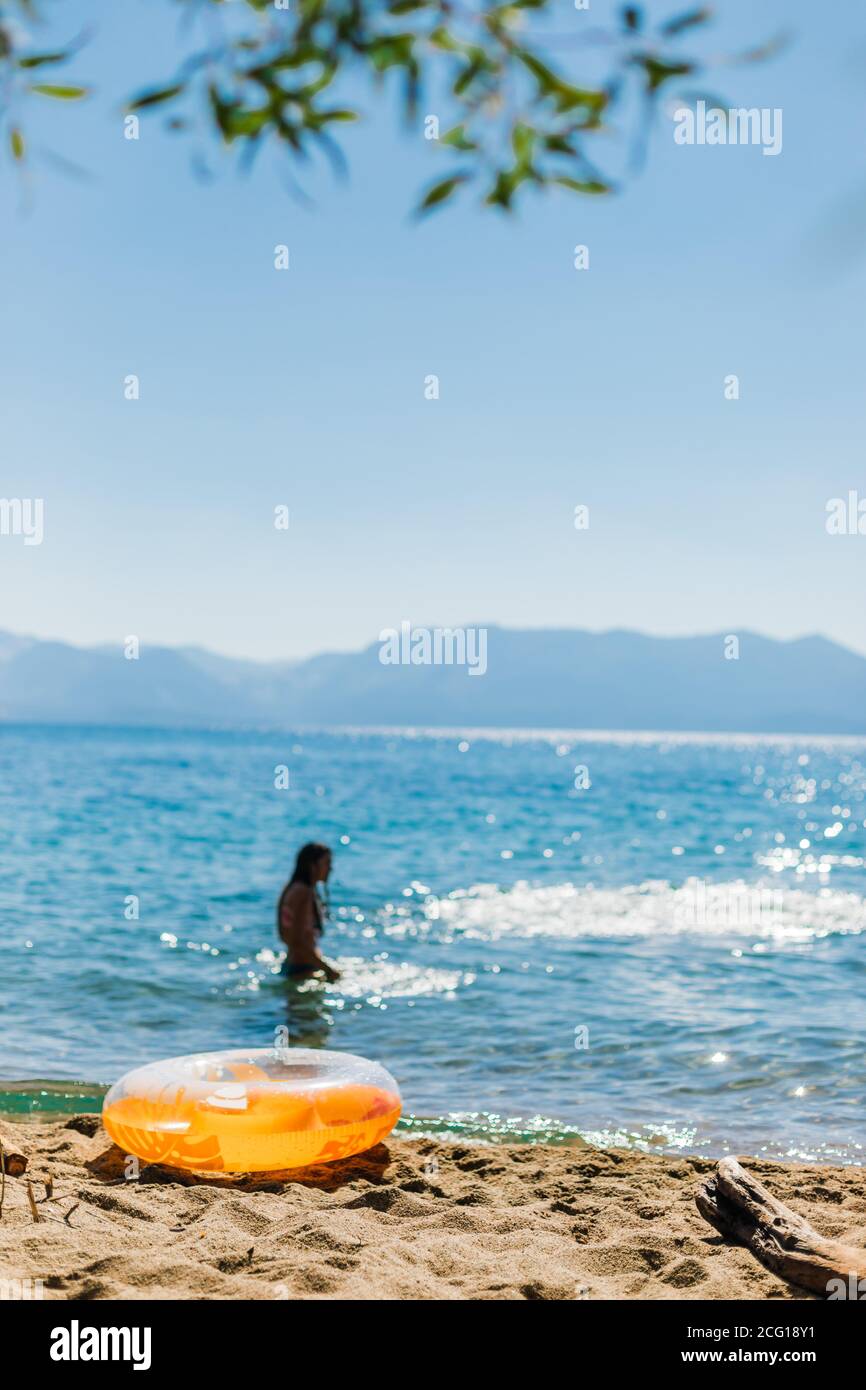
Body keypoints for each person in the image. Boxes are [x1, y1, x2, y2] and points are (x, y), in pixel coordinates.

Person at [277, 842, 341, 982]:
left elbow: (285, 935)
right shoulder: (304, 893)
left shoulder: (291, 888)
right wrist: (328, 970)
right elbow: (298, 941)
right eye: (327, 863)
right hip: (302, 967)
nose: (330, 868)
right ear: (312, 865)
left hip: (291, 963)